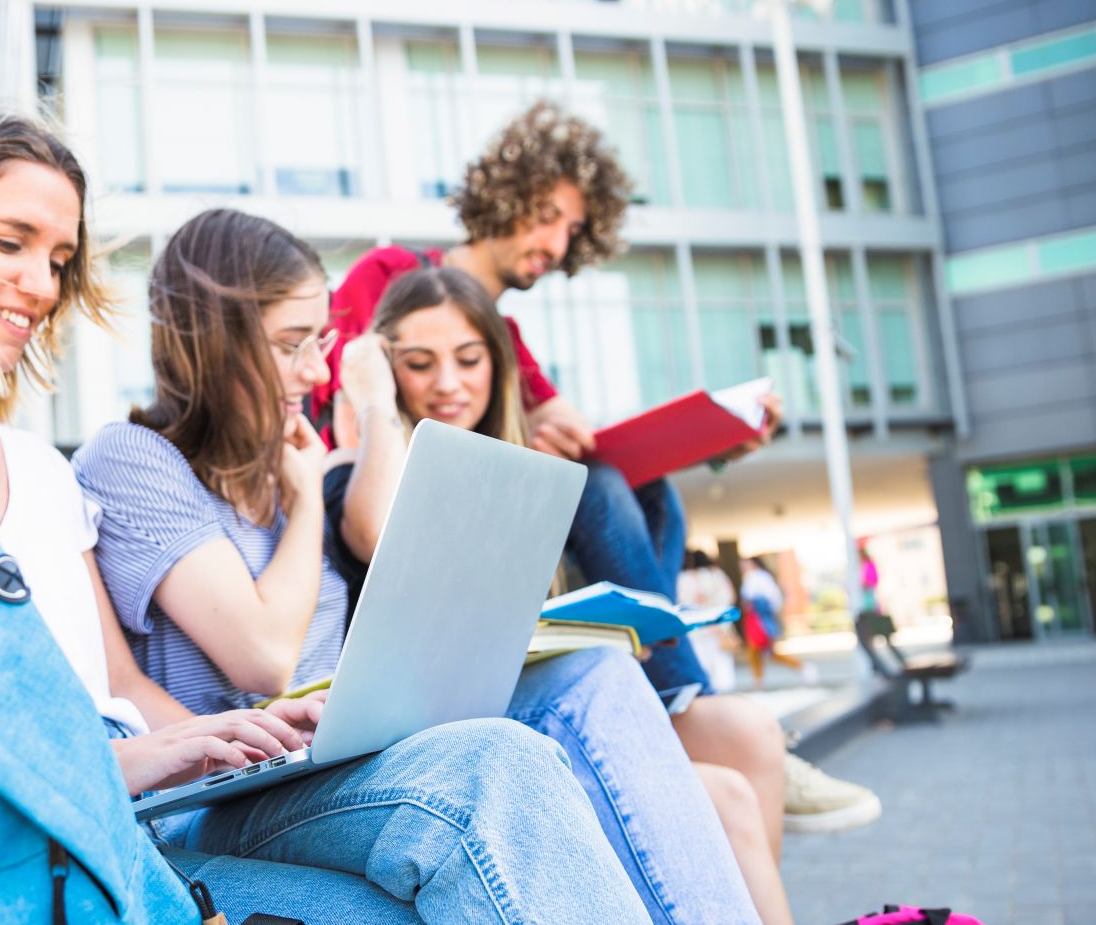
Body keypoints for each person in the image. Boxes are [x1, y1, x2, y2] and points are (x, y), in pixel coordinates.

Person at [0, 111, 652, 923]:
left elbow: (117, 682)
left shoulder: (46, 472)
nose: (42, 285)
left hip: (122, 825)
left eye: (58, 259)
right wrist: (109, 765)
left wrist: (236, 743)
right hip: (2, 846)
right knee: (488, 778)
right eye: (11, 242)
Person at [76, 207, 760, 925]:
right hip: (224, 796)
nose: (314, 370)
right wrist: (307, 492)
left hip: (337, 753)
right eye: (290, 345)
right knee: (495, 765)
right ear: (211, 346)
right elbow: (262, 657)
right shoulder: (136, 458)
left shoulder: (286, 458)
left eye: (320, 342)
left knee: (596, 674)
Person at [315, 99, 882, 843]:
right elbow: (348, 391)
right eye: (547, 214)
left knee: (646, 489)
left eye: (573, 228)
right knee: (608, 486)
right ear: (505, 195)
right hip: (394, 502)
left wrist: (714, 440)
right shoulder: (392, 272)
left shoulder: (510, 337)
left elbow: (575, 437)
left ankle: (675, 693)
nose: (557, 240)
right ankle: (684, 697)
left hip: (492, 521)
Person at [326, 266, 793, 925]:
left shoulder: (521, 463)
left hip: (553, 692)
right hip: (451, 728)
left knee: (752, 734)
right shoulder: (365, 460)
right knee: (725, 800)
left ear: (498, 359)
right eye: (418, 363)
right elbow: (374, 531)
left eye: (468, 358)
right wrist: (372, 398)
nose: (449, 383)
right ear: (385, 364)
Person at [739, 556, 812, 686]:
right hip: (759, 618)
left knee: (758, 650)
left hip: (758, 619)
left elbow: (759, 598)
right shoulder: (760, 577)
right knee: (762, 652)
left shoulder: (757, 577)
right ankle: (759, 679)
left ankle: (800, 667)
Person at [677, 551, 739, 693]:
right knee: (722, 667)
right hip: (717, 626)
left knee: (702, 665)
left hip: (694, 629)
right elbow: (728, 598)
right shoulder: (716, 575)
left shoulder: (681, 578)